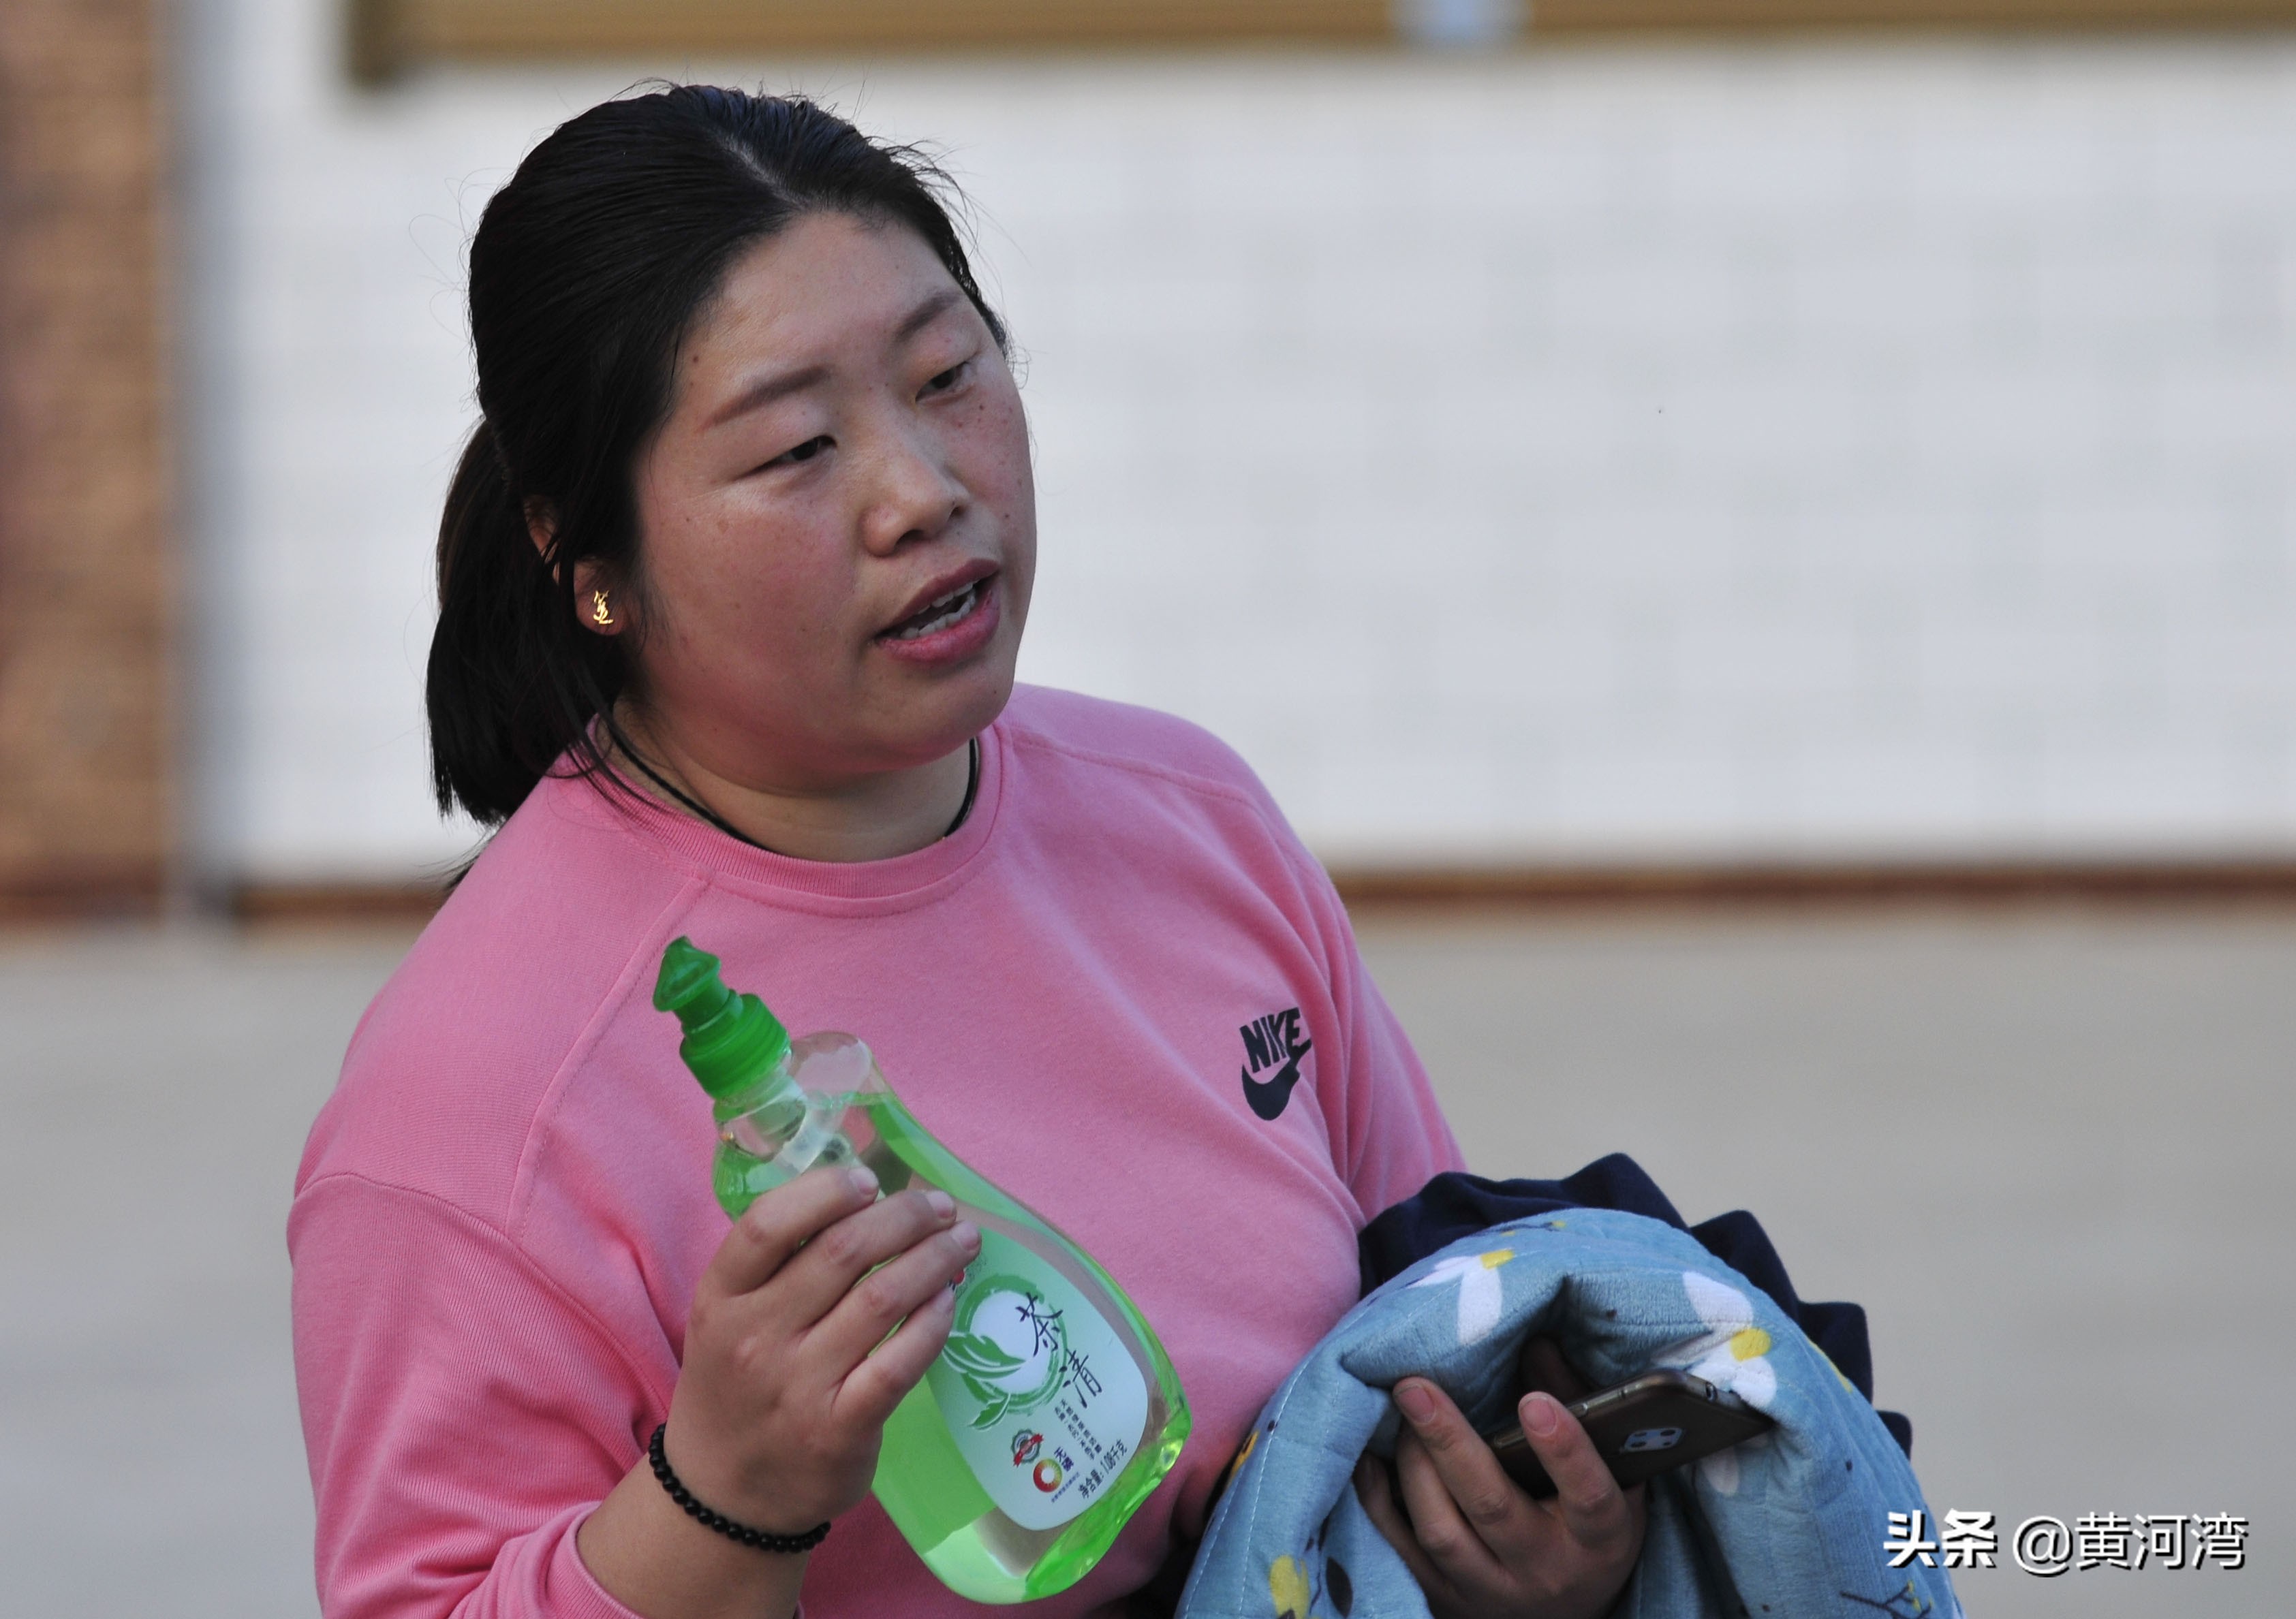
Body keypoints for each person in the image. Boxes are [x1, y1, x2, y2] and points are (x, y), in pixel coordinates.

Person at [289, 85, 1645, 1619]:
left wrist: (1534, 1554)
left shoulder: (1190, 817)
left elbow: (1433, 1333)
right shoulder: (476, 1096)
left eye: (946, 375)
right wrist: (724, 1493)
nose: (922, 489)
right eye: (796, 447)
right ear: (585, 557)